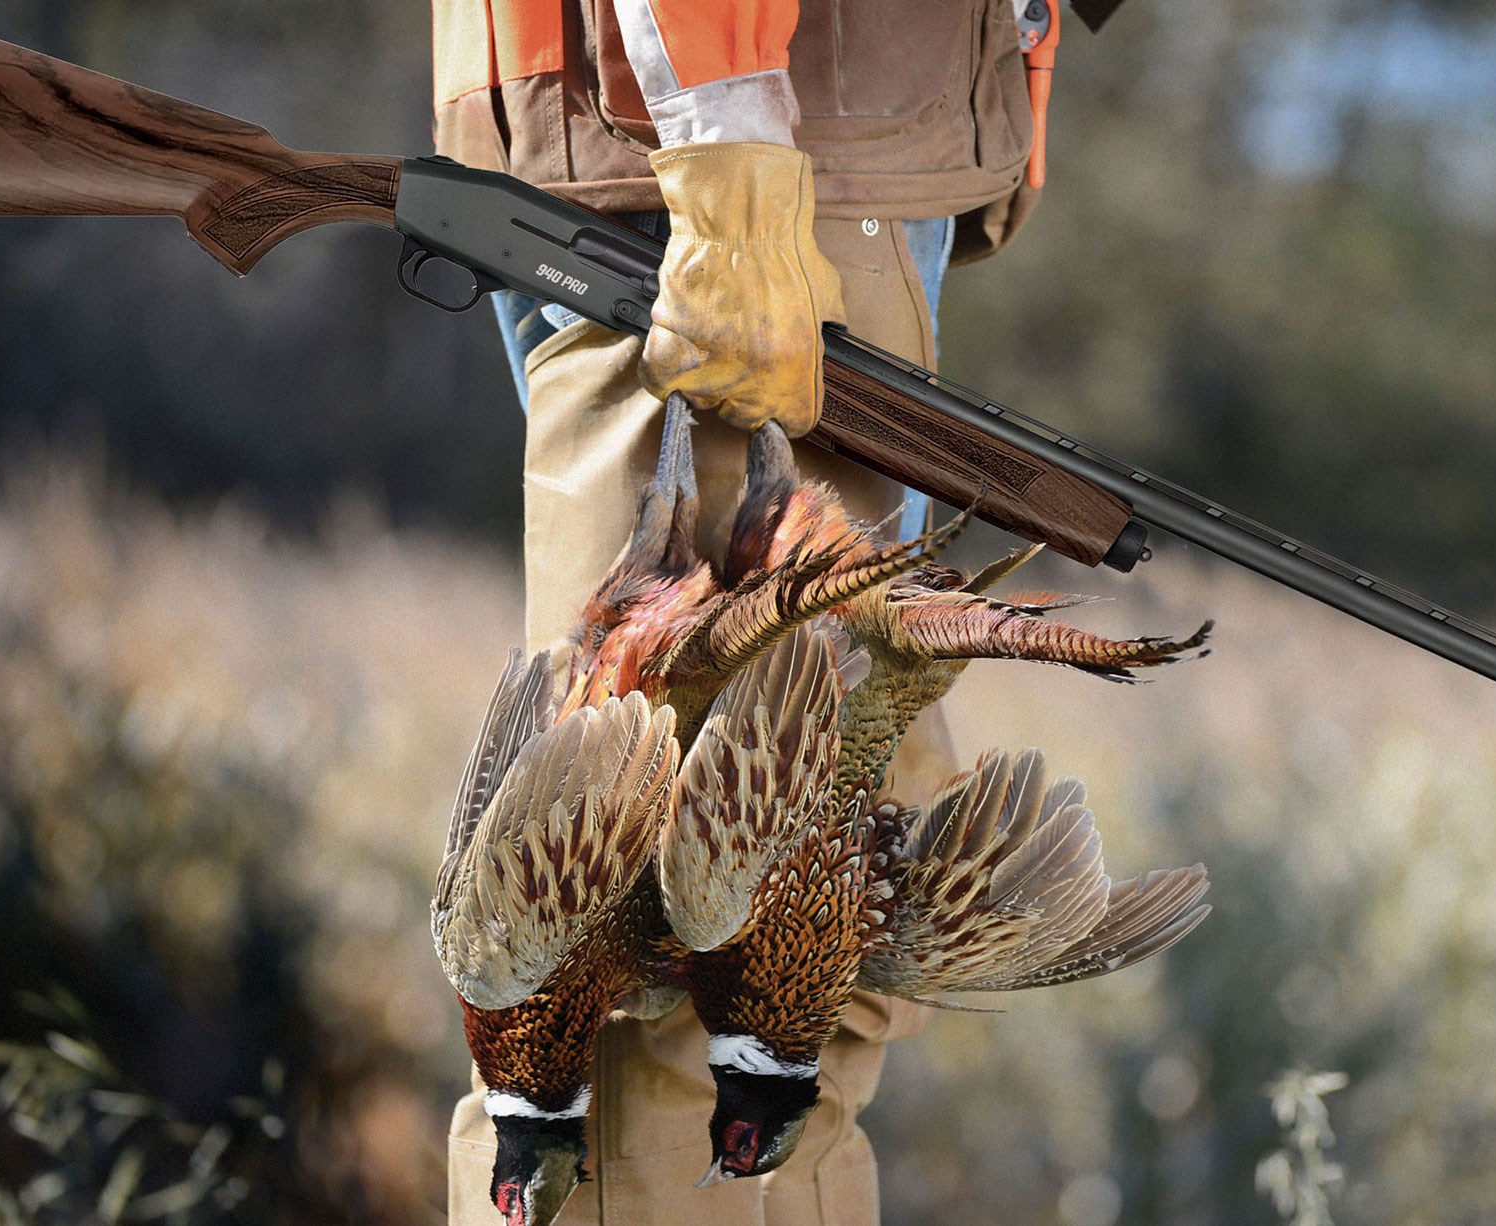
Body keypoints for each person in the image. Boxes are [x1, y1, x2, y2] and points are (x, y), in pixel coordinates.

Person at [429, 2, 1045, 1220]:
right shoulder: (737, 154)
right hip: (752, 134)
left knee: (791, 962)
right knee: (658, 976)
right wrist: (730, 160)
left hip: (784, 133)